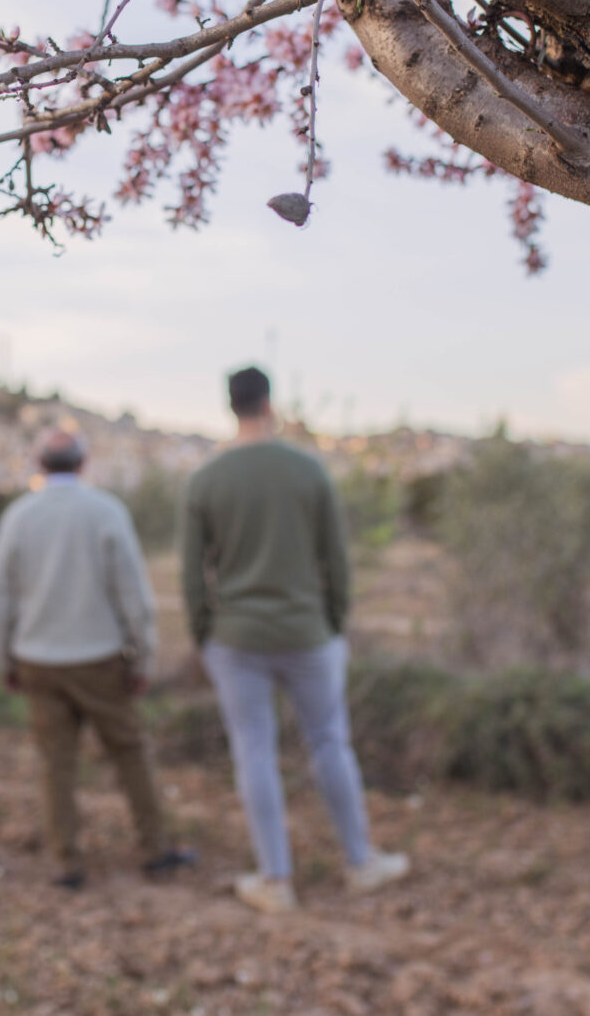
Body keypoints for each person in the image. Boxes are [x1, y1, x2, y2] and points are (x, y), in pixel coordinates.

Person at [179, 366, 410, 914]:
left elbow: (193, 575)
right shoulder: (308, 471)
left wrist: (203, 635)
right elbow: (337, 560)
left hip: (235, 638)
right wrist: (332, 621)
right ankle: (360, 862)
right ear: (270, 403)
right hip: (308, 632)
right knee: (329, 741)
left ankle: (275, 879)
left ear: (230, 406)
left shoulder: (206, 481)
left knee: (254, 750)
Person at [0, 428, 196, 890]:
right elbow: (133, 596)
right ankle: (155, 848)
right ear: (84, 463)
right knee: (129, 753)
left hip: (37, 660)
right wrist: (142, 659)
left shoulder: (19, 517)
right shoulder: (105, 511)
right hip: (99, 659)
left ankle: (67, 861)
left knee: (55, 763)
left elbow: (0, 596)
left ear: (39, 465)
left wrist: (4, 659)